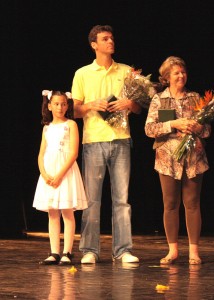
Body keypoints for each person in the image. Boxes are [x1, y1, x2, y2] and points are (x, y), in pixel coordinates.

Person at [71, 25, 141, 264]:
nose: (111, 41)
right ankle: (90, 249)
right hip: (94, 141)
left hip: (121, 139)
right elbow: (74, 110)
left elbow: (139, 107)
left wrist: (128, 103)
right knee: (92, 200)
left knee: (122, 199)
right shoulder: (82, 73)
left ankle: (123, 250)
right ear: (94, 45)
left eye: (112, 38)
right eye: (105, 39)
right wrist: (92, 105)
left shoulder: (126, 71)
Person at [145, 56, 211, 265]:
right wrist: (173, 123)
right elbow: (149, 129)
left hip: (193, 157)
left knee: (192, 204)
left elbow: (207, 129)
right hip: (167, 158)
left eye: (183, 71)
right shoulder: (159, 100)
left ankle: (193, 251)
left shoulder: (195, 98)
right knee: (170, 204)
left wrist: (198, 128)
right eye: (176, 73)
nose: (181, 75)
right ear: (167, 77)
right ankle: (172, 250)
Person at [33, 90, 88, 265]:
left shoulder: (71, 124)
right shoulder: (46, 128)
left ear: (67, 105)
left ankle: (67, 252)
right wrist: (45, 174)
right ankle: (54, 251)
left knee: (67, 211)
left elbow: (73, 153)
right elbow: (41, 154)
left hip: (65, 171)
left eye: (63, 104)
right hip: (49, 173)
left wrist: (59, 175)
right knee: (52, 212)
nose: (60, 107)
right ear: (49, 106)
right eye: (56, 104)